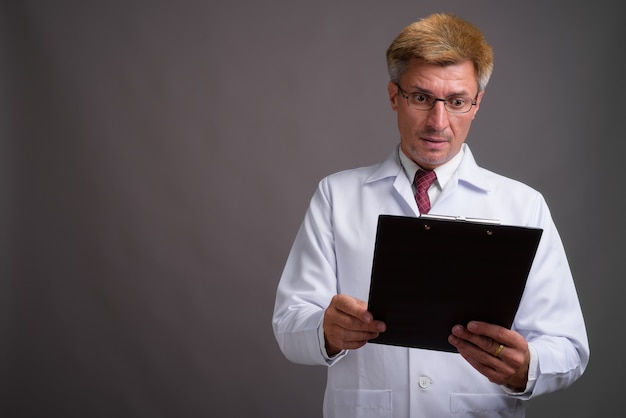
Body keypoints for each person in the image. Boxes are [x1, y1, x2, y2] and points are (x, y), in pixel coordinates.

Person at [272, 13, 589, 418]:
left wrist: (528, 368)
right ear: (393, 96)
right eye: (421, 98)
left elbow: (570, 347)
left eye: (457, 102)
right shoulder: (337, 195)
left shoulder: (523, 205)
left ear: (477, 104)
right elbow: (288, 325)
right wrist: (326, 332)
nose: (438, 123)